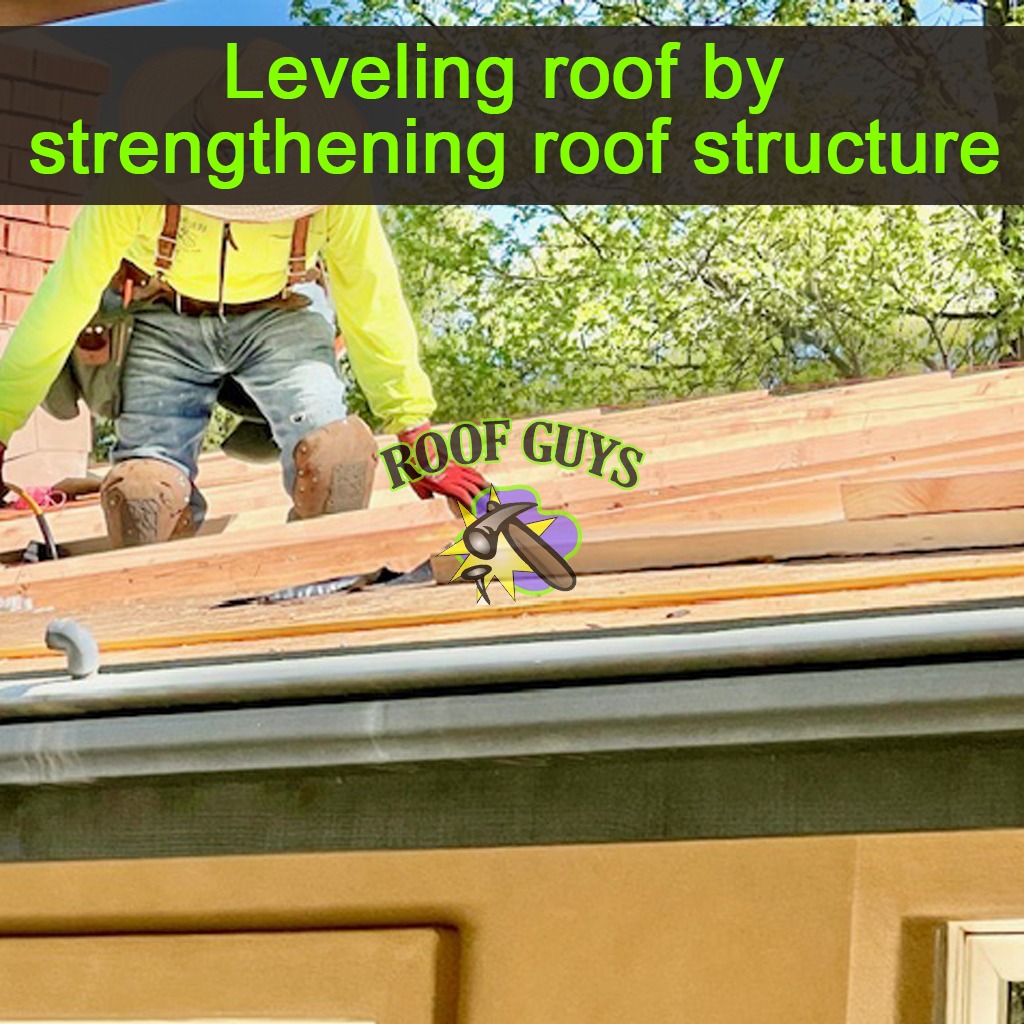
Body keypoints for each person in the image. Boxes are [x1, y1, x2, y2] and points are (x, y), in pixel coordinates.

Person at [0, 202, 486, 547]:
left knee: (338, 462)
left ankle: (317, 579)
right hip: (165, 318)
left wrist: (412, 427)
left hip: (280, 317)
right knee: (143, 501)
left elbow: (372, 302)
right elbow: (59, 307)